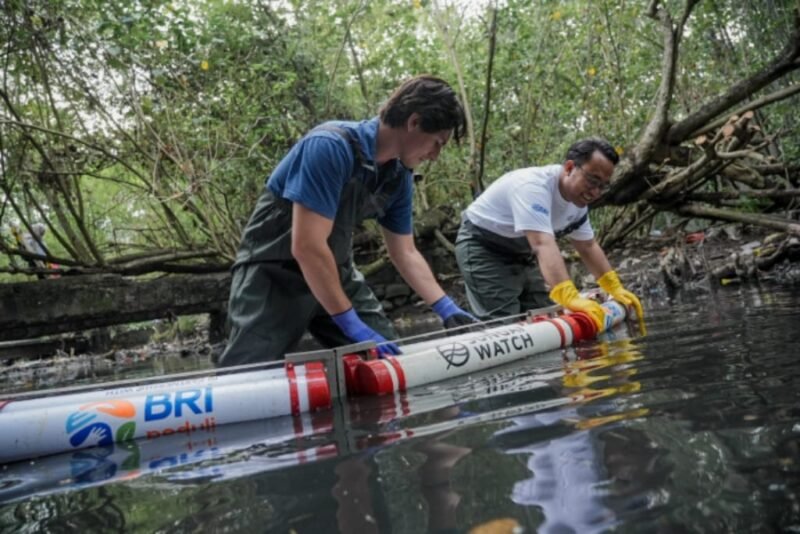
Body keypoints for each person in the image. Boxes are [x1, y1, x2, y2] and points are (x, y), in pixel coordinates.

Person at [219, 75, 476, 367]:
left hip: (335, 273)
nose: (435, 156)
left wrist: (446, 308)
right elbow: (307, 247)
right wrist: (350, 324)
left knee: (391, 364)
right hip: (273, 275)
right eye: (436, 143)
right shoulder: (328, 146)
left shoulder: (399, 177)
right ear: (414, 122)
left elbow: (404, 252)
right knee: (247, 374)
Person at [454, 137, 643, 330]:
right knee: (503, 325)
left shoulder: (578, 203)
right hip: (483, 246)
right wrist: (569, 296)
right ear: (569, 168)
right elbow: (542, 244)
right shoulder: (532, 187)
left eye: (603, 185)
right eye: (592, 180)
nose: (595, 192)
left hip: (522, 253)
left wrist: (614, 287)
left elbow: (588, 246)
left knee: (544, 316)